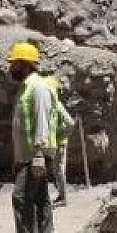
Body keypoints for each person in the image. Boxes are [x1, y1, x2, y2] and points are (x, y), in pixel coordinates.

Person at [6, 41, 58, 233]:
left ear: (25, 64)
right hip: (29, 156)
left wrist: (38, 154)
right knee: (39, 196)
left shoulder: (38, 88)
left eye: (14, 63)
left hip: (36, 155)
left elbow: (42, 121)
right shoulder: (27, 87)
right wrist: (18, 157)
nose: (10, 68)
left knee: (21, 197)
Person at [45, 72, 76, 207]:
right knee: (56, 170)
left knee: (58, 170)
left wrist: (60, 134)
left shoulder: (57, 105)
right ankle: (61, 196)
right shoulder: (52, 105)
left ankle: (63, 198)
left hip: (59, 143)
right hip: (55, 142)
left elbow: (70, 123)